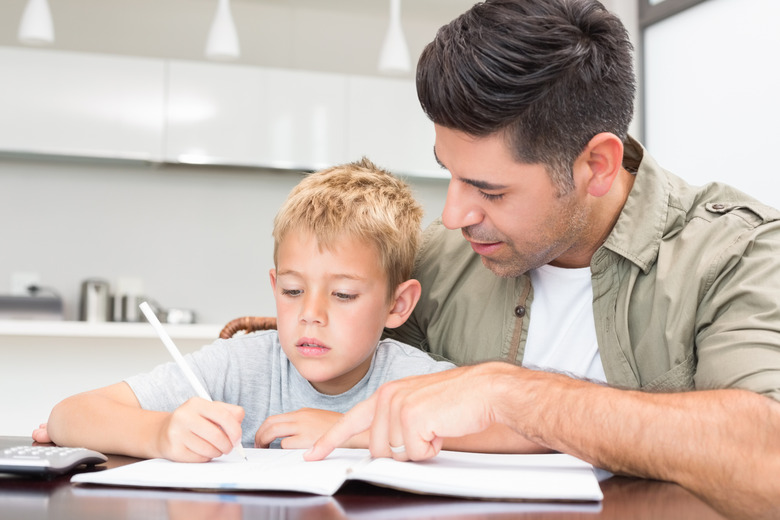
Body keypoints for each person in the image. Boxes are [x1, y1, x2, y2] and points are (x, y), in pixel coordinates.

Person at [305, 2, 780, 519]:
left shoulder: (741, 253)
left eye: (490, 190)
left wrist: (509, 394)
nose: (453, 214)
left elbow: (769, 461)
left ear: (596, 165)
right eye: (450, 173)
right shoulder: (432, 262)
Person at [34, 158, 465, 462]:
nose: (311, 313)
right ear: (275, 286)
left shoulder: (410, 380)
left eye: (344, 295)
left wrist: (353, 436)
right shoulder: (241, 365)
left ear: (398, 304)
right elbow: (69, 415)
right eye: (294, 291)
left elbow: (517, 433)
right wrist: (162, 434)